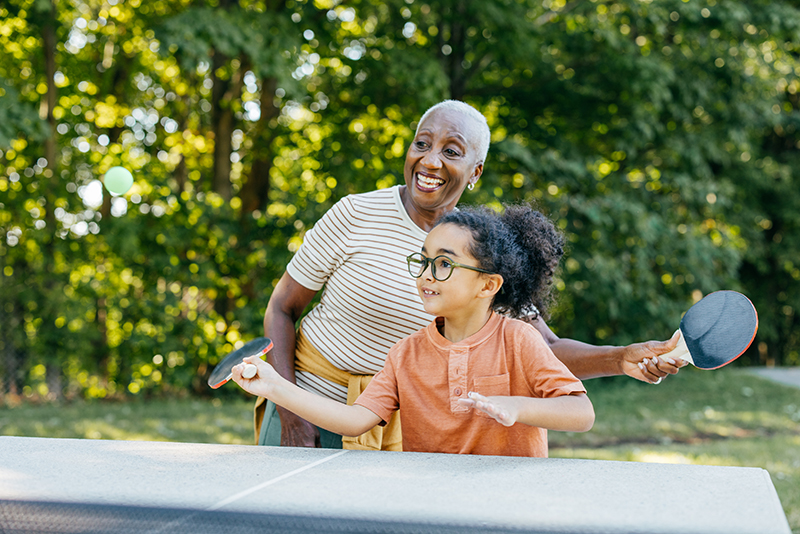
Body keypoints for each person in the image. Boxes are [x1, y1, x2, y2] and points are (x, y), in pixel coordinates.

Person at [255, 99, 683, 450]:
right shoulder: (355, 214)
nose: (430, 160)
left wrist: (620, 357)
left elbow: (546, 347)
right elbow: (281, 309)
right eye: (422, 143)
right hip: (308, 400)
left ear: (476, 172)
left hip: (396, 424)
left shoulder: (479, 248)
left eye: (452, 151)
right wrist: (292, 414)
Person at [235, 204, 594, 457]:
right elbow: (354, 420)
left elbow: (581, 413)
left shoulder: (519, 339)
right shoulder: (405, 353)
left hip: (510, 506)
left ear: (487, 286)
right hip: (431, 503)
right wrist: (276, 387)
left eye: (443, 264)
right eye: (423, 261)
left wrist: (517, 408)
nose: (425, 274)